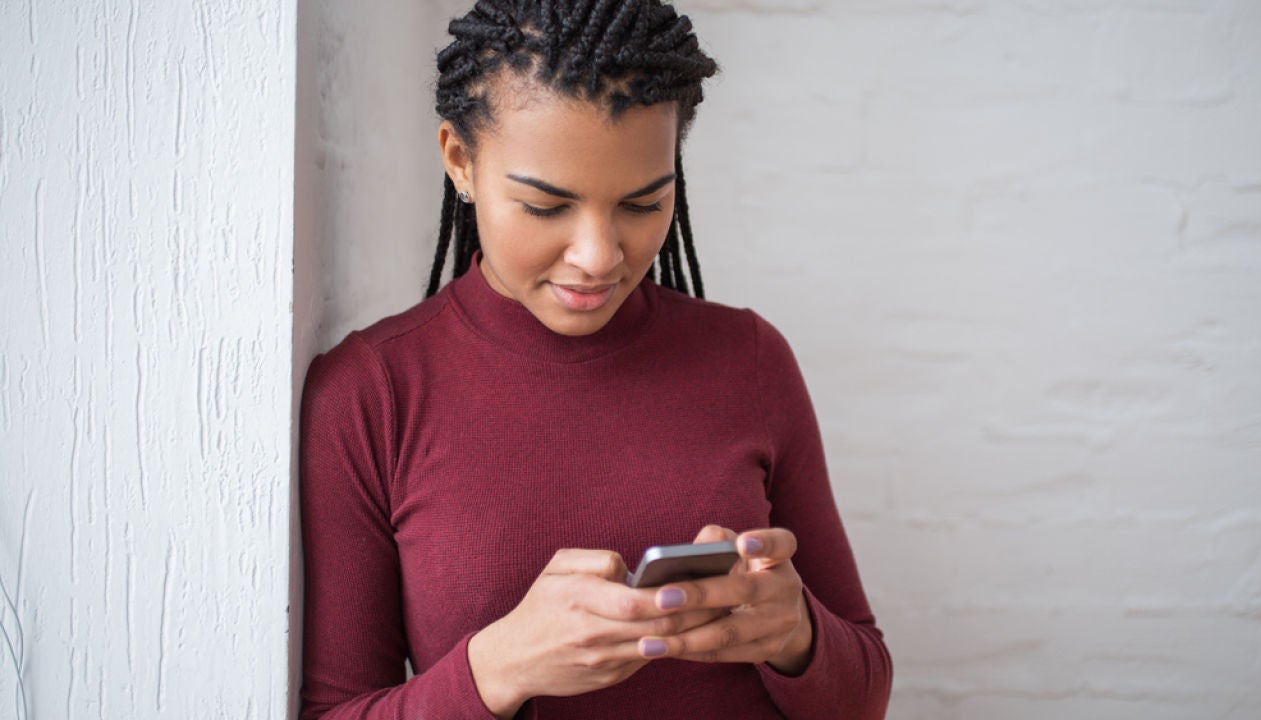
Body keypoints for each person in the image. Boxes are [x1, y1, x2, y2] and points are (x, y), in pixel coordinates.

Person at [298, 1, 892, 718]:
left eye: (643, 204)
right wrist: (497, 668)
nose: (599, 257)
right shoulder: (372, 394)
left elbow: (862, 694)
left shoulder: (749, 360)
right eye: (547, 207)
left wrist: (796, 633)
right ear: (459, 159)